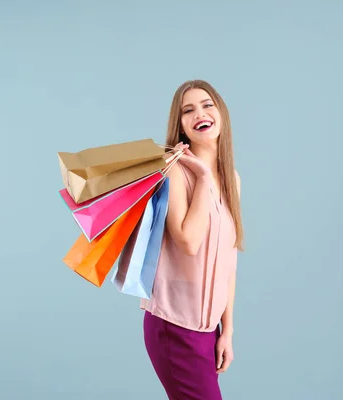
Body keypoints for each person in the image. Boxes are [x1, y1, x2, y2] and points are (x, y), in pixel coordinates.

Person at [140, 79, 244, 399]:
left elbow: (229, 263)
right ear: (182, 126)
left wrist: (226, 331)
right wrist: (202, 176)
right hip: (175, 326)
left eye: (207, 104)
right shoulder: (175, 172)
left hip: (207, 331)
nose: (200, 112)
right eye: (188, 110)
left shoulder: (232, 180)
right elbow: (188, 241)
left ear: (221, 114)